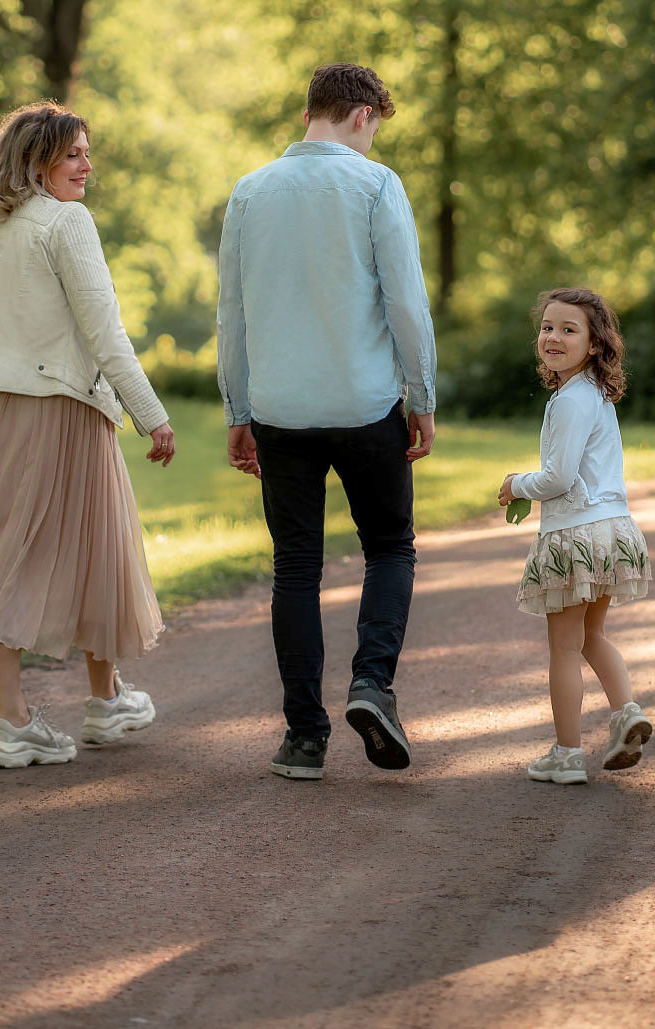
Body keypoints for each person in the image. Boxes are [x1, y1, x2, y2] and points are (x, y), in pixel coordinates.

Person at [0, 102, 176, 770]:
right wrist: (151, 414)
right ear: (36, 160)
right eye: (73, 153)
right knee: (89, 546)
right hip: (62, 409)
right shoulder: (67, 222)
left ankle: (41, 712)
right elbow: (105, 331)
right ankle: (66, 712)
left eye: (85, 152)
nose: (87, 165)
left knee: (7, 554)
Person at [216, 63, 437, 781]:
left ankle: (305, 738)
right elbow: (405, 301)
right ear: (364, 116)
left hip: (280, 412)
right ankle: (372, 684)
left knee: (296, 569)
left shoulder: (249, 192)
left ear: (312, 110)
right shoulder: (375, 184)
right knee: (390, 548)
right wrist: (421, 394)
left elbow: (233, 315)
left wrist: (237, 409)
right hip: (365, 403)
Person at [497, 288, 653, 785]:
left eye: (569, 329)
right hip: (613, 531)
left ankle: (566, 754)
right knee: (592, 636)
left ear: (594, 344)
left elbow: (558, 479)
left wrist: (515, 484)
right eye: (548, 327)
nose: (554, 337)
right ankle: (626, 712)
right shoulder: (594, 394)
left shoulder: (569, 402)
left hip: (576, 535)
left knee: (563, 648)